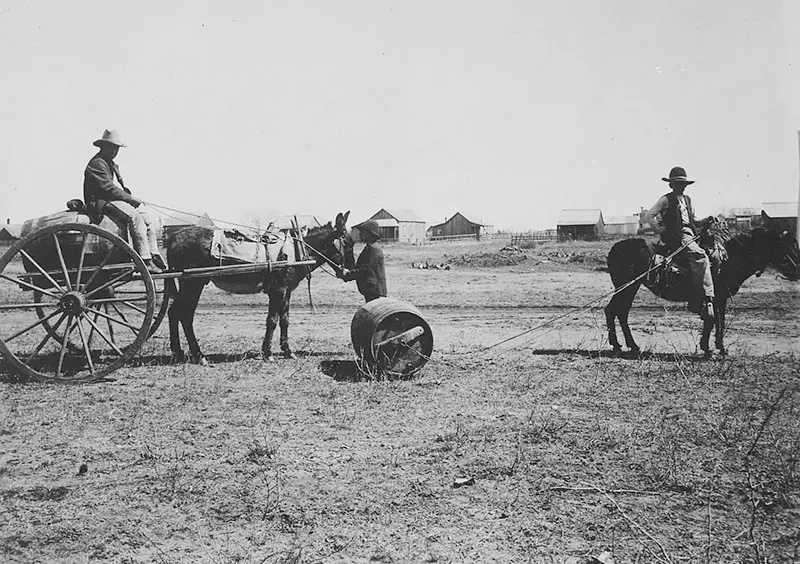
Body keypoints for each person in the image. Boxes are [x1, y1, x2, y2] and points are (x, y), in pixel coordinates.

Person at [83, 129, 165, 273]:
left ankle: (154, 254)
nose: (114, 151)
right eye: (111, 147)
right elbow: (108, 189)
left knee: (149, 219)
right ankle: (145, 260)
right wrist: (131, 198)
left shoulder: (108, 163)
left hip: (111, 199)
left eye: (116, 148)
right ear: (103, 147)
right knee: (135, 217)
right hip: (100, 202)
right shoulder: (97, 163)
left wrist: (130, 198)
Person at [643, 166, 717, 320]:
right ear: (671, 185)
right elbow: (649, 216)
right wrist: (661, 230)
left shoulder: (688, 200)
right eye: (677, 183)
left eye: (683, 183)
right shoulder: (665, 199)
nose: (680, 186)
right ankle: (705, 297)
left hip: (691, 234)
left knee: (714, 251)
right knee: (701, 256)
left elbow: (694, 221)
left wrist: (707, 220)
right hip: (677, 236)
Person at [339, 219, 387, 302]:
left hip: (376, 292)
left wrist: (348, 274)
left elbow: (365, 270)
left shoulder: (374, 249)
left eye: (363, 232)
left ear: (370, 234)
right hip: (371, 290)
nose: (360, 234)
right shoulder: (370, 248)